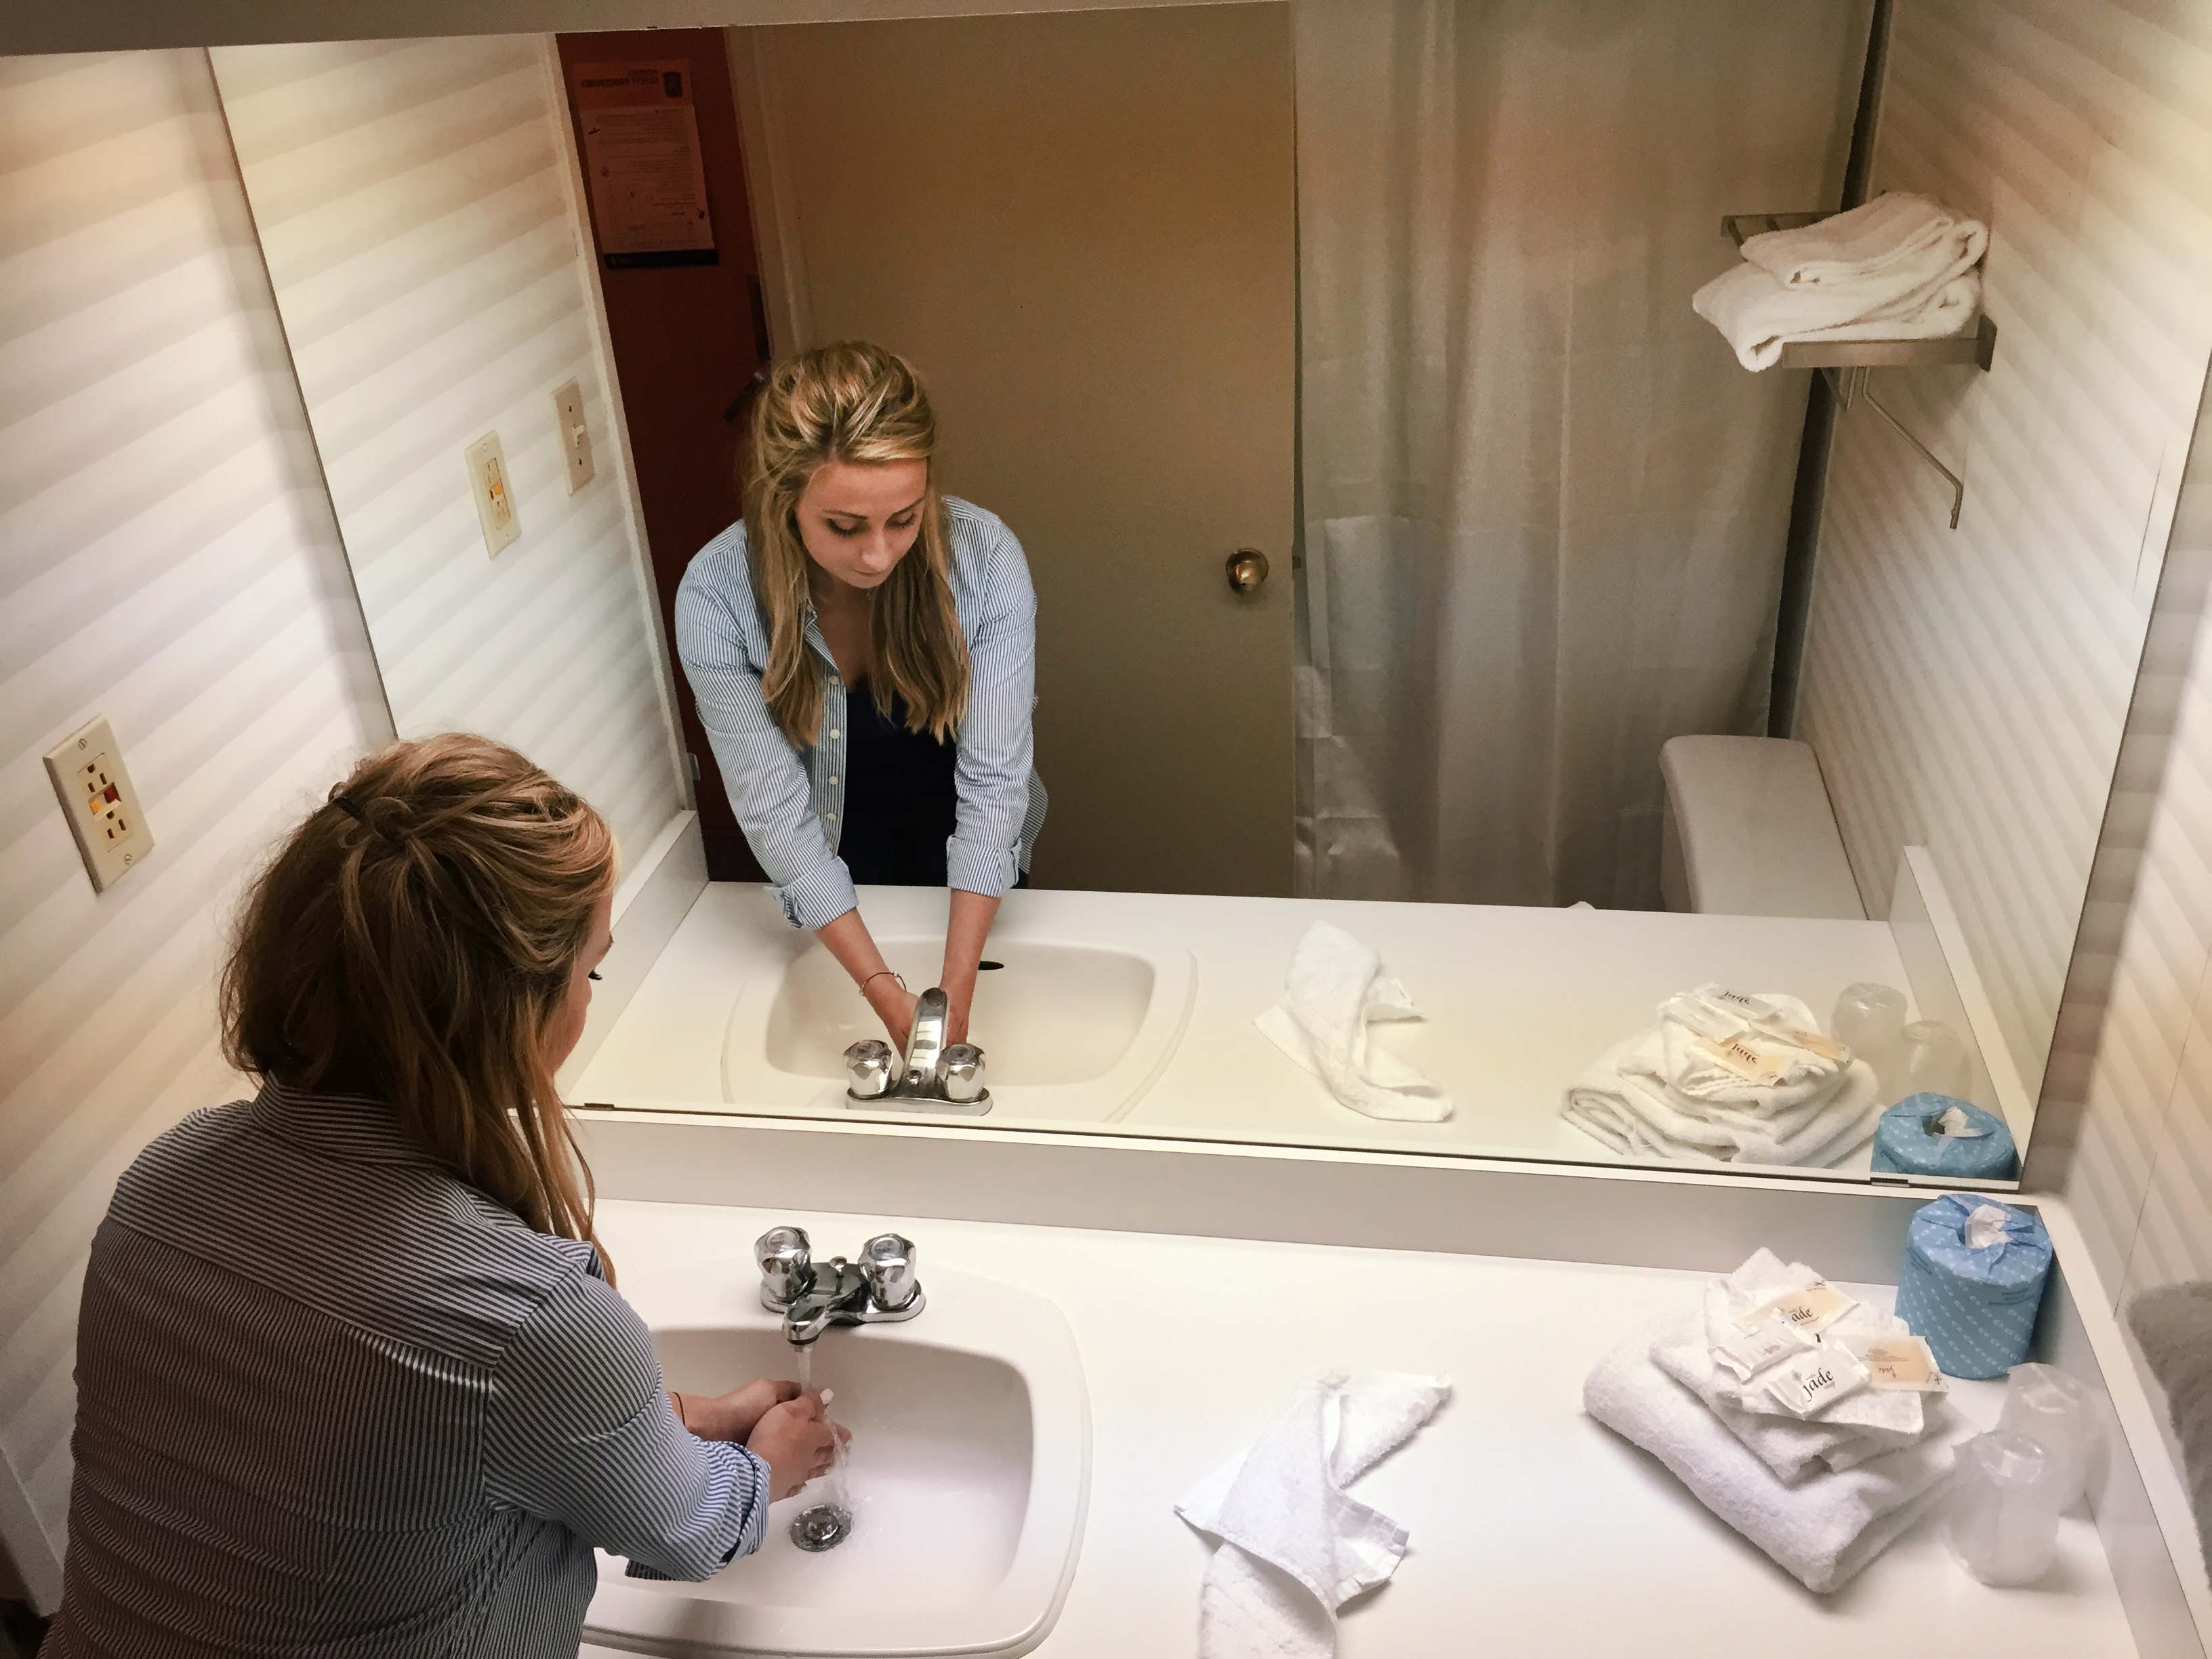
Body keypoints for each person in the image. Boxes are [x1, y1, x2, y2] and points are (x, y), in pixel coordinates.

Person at [41, 735, 842, 1658]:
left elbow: (377, 1454)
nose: (589, 999)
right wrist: (763, 1466)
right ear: (510, 1018)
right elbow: (685, 1530)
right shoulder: (529, 1317)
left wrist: (687, 1417)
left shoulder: (162, 1187)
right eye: (590, 972)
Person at [676, 341, 1046, 1048]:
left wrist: (954, 995)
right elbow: (774, 813)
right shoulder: (717, 595)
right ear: (785, 502)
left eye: (904, 519)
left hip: (974, 858)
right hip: (829, 864)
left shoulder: (984, 559)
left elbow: (995, 784)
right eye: (843, 528)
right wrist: (881, 989)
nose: (877, 555)